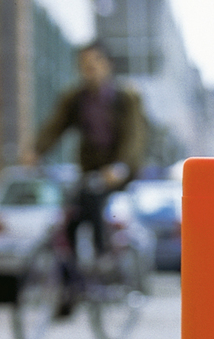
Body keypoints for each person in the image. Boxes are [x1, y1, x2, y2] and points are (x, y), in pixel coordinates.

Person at [30, 41, 145, 262]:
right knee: (72, 213)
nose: (88, 70)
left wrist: (120, 166)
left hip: (119, 170)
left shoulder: (126, 98)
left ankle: (102, 260)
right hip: (90, 169)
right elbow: (56, 126)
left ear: (107, 64)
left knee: (95, 205)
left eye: (93, 63)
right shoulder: (75, 98)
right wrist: (36, 150)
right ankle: (74, 276)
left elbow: (135, 137)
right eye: (83, 65)